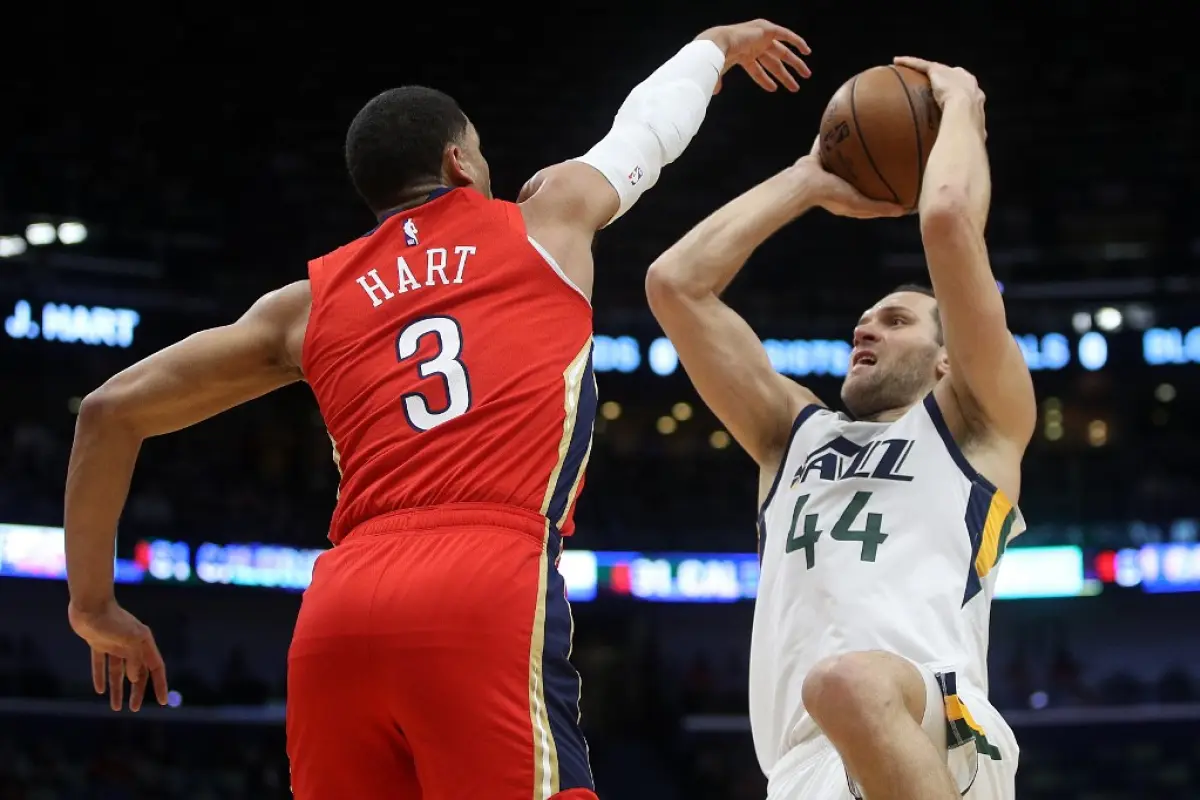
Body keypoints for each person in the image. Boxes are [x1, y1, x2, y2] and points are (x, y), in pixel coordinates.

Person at [62, 19, 811, 800]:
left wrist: (95, 606)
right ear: (459, 161)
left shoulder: (304, 306)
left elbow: (109, 411)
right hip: (483, 580)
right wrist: (713, 48)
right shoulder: (543, 222)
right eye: (481, 151)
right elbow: (645, 134)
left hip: (340, 605)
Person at [645, 57, 1034, 800]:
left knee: (848, 682)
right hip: (799, 767)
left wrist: (959, 107)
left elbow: (947, 219)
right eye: (862, 322)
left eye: (894, 321)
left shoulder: (977, 425)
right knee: (839, 689)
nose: (867, 329)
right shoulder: (789, 435)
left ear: (948, 359)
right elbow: (675, 285)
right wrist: (807, 180)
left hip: (939, 727)